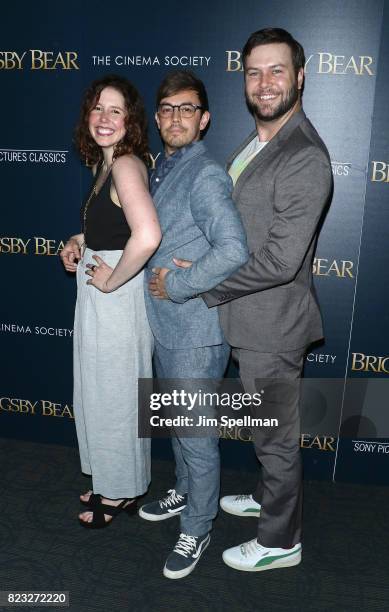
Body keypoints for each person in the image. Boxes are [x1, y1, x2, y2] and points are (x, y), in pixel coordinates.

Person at [200, 28, 333, 571]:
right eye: (254, 71)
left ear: (300, 77)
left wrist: (206, 286)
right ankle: (268, 499)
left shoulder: (303, 155)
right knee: (265, 431)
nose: (265, 82)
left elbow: (281, 261)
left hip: (273, 326)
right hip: (252, 320)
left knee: (276, 440)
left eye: (277, 70)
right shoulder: (259, 143)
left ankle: (280, 542)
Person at [137, 70, 248, 579]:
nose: (175, 117)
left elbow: (234, 249)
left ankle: (197, 528)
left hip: (195, 331)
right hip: (167, 328)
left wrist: (180, 285)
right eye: (167, 108)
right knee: (182, 430)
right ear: (158, 118)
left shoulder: (204, 173)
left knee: (197, 437)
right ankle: (183, 493)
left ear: (204, 119)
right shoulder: (161, 166)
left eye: (187, 109)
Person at [60, 75, 161, 528]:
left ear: (130, 120)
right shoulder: (108, 165)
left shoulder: (124, 165)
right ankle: (110, 477)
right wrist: (78, 241)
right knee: (101, 393)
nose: (104, 118)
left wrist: (110, 282)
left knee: (117, 395)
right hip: (103, 298)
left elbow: (148, 235)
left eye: (115, 110)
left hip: (117, 303)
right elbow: (116, 229)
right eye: (98, 109)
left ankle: (120, 492)